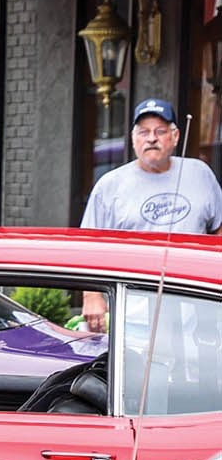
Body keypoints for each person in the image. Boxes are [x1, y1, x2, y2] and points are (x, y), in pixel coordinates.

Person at [79, 98, 222, 330]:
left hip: (198, 309)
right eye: (143, 131)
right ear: (134, 139)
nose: (152, 138)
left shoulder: (200, 173)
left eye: (160, 131)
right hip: (133, 313)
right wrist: (91, 297)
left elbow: (218, 230)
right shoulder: (110, 185)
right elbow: (88, 245)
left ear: (175, 137)